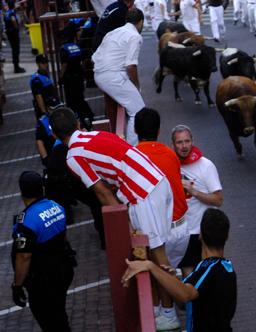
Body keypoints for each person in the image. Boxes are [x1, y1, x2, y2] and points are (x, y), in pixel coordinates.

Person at [49, 108, 180, 330]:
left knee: (158, 256)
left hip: (143, 194)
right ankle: (159, 308)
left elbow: (102, 192)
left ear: (54, 134)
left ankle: (170, 314)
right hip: (157, 181)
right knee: (152, 252)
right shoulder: (95, 135)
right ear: (78, 123)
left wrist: (123, 225)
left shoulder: (73, 156)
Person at [122, 208, 237, 332]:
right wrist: (173, 279)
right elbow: (185, 303)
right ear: (227, 236)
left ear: (200, 235)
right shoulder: (226, 267)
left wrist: (150, 266)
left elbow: (186, 295)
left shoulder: (208, 268)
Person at [11, 171, 76, 331]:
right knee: (59, 311)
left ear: (22, 192)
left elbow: (23, 256)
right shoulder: (57, 206)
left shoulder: (23, 222)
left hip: (44, 280)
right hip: (63, 270)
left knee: (49, 320)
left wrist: (17, 286)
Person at [134, 108, 190, 270]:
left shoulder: (132, 156)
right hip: (181, 231)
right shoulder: (171, 154)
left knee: (161, 279)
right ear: (159, 131)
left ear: (135, 130)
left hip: (158, 235)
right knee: (169, 275)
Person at [171, 125, 223, 276]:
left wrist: (194, 192)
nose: (184, 146)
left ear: (192, 141)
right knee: (189, 273)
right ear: (173, 144)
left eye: (187, 141)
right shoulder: (169, 165)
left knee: (210, 273)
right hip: (184, 232)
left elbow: (218, 200)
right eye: (179, 142)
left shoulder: (206, 166)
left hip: (205, 230)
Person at [92, 9, 145, 146]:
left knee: (129, 106)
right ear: (140, 22)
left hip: (99, 74)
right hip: (112, 75)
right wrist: (137, 86)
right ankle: (132, 149)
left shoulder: (113, 32)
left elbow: (94, 58)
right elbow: (131, 66)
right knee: (138, 110)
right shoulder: (135, 36)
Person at [59, 23, 94, 130]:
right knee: (80, 98)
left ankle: (77, 120)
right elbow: (83, 62)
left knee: (71, 101)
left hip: (69, 79)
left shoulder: (64, 48)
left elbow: (64, 65)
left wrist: (60, 78)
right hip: (79, 77)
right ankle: (88, 116)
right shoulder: (77, 47)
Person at [30, 55, 62, 120]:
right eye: (43, 63)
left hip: (53, 107)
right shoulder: (36, 79)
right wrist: (44, 112)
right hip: (47, 110)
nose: (46, 65)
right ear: (38, 64)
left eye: (46, 62)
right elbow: (38, 97)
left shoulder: (44, 75)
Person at [3, 1, 25, 73]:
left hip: (9, 33)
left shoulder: (7, 13)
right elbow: (13, 20)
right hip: (13, 33)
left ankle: (16, 66)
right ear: (14, 5)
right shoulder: (12, 13)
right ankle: (16, 67)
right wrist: (17, 28)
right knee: (16, 49)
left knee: (14, 49)